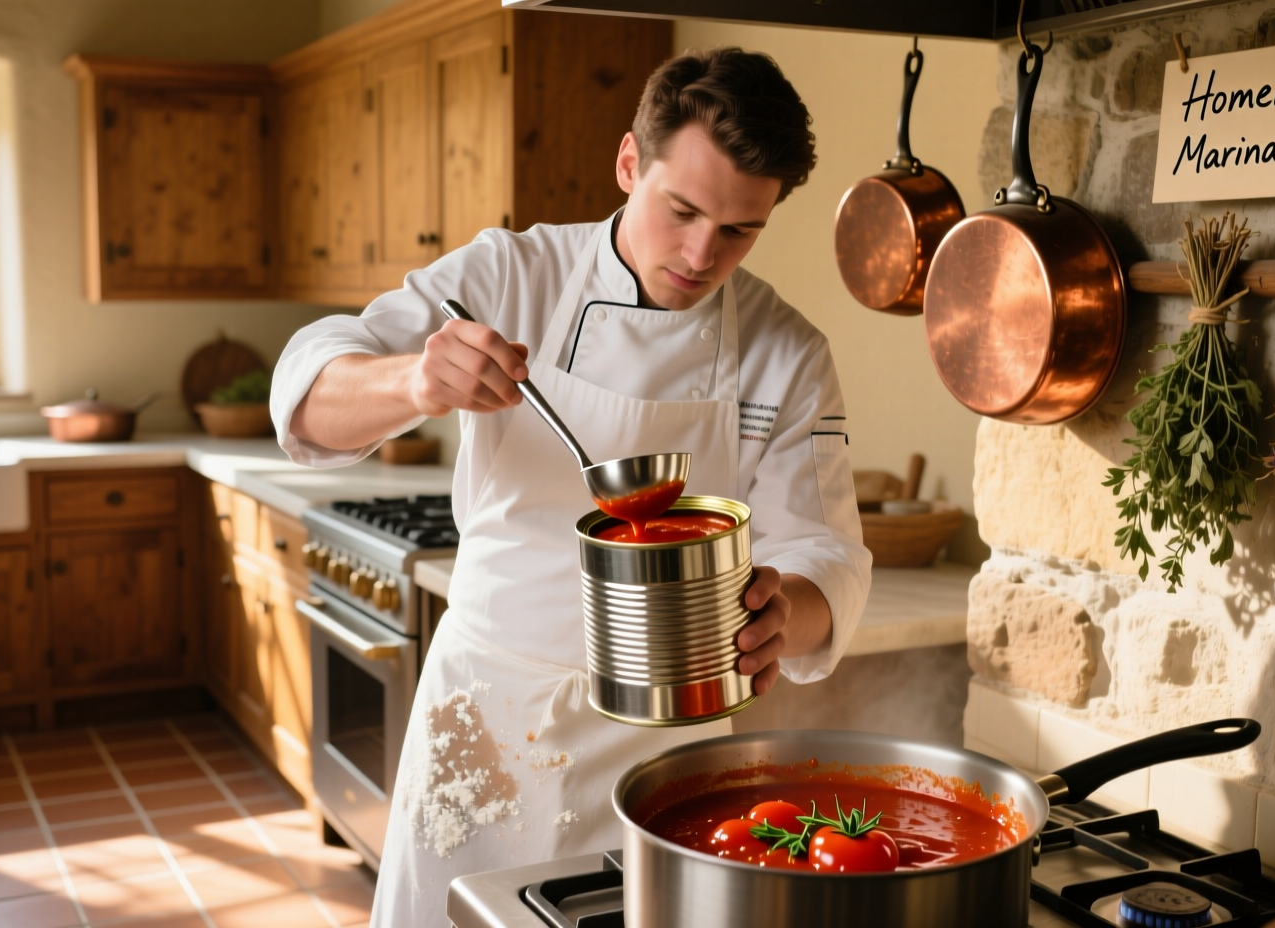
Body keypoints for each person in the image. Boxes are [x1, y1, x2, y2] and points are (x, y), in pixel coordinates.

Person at [271, 46, 871, 927]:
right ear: (630, 163)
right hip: (488, 710)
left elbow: (824, 548)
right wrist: (415, 382)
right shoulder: (508, 277)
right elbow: (306, 395)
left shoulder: (787, 352)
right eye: (683, 210)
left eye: (741, 229)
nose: (704, 253)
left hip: (673, 735)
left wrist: (797, 611)